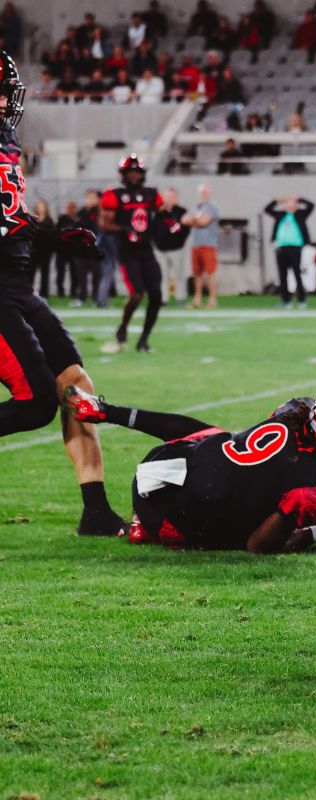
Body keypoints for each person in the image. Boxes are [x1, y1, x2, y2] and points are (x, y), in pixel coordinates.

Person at [0, 50, 127, 537]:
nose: (9, 99)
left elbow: (11, 217)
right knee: (34, 403)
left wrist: (52, 236)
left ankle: (94, 510)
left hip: (17, 285)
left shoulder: (6, 138)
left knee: (77, 387)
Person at [62, 385, 316, 552]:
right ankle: (145, 527)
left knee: (216, 440)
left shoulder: (294, 414)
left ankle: (106, 411)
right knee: (240, 518)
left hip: (158, 467)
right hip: (170, 525)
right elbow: (259, 546)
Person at [99, 153, 164, 354]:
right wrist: (124, 229)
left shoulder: (151, 194)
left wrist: (172, 229)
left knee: (156, 294)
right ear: (124, 174)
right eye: (130, 172)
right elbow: (105, 223)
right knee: (136, 294)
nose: (134, 176)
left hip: (147, 250)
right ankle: (123, 329)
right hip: (127, 251)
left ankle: (144, 339)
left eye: (137, 172)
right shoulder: (114, 195)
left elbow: (164, 216)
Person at [263, 195, 314, 309]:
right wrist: (280, 200)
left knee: (297, 273)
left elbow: (311, 206)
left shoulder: (300, 215)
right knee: (283, 275)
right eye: (288, 202)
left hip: (295, 247)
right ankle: (286, 300)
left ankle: (301, 300)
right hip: (281, 247)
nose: (290, 204)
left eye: (292, 202)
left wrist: (299, 199)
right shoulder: (281, 215)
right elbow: (267, 209)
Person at [151, 187, 191, 306]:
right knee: (162, 275)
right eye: (168, 196)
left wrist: (180, 242)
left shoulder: (181, 211)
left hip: (176, 249)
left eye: (173, 196)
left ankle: (181, 298)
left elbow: (186, 229)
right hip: (160, 249)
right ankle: (163, 299)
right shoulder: (158, 212)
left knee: (179, 274)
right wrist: (155, 242)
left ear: (177, 198)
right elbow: (153, 229)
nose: (171, 198)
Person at [189, 184, 219, 308]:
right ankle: (197, 298)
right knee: (197, 273)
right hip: (196, 244)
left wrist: (194, 220)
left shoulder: (212, 207)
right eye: (202, 192)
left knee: (210, 273)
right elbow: (185, 220)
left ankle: (212, 299)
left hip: (208, 244)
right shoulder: (196, 207)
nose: (204, 194)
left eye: (206, 192)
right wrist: (196, 220)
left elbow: (202, 222)